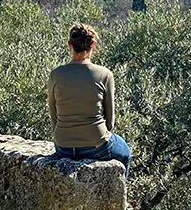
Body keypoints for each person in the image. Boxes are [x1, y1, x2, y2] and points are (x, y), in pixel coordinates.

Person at [48, 23, 130, 177]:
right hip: (95, 145)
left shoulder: (56, 74)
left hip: (62, 145)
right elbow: (110, 122)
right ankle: (119, 199)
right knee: (125, 153)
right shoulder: (104, 74)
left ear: (69, 45)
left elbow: (54, 117)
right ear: (93, 45)